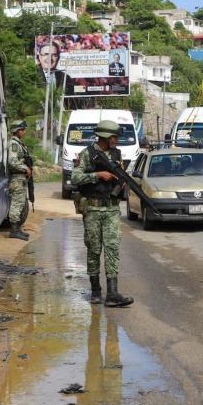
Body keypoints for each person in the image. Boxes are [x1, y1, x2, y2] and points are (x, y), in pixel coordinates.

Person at [71, 120, 134, 307]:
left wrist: (121, 182)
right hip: (92, 209)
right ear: (106, 136)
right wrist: (97, 175)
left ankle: (113, 293)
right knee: (94, 249)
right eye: (114, 136)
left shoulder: (116, 154)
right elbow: (75, 177)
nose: (116, 140)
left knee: (112, 249)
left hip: (112, 209)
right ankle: (96, 291)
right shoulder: (88, 154)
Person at [7, 119, 32, 241]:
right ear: (17, 131)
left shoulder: (19, 143)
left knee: (20, 202)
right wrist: (25, 168)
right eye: (22, 129)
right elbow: (12, 161)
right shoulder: (14, 144)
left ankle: (17, 229)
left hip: (20, 178)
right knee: (16, 204)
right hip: (17, 178)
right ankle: (14, 230)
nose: (24, 132)